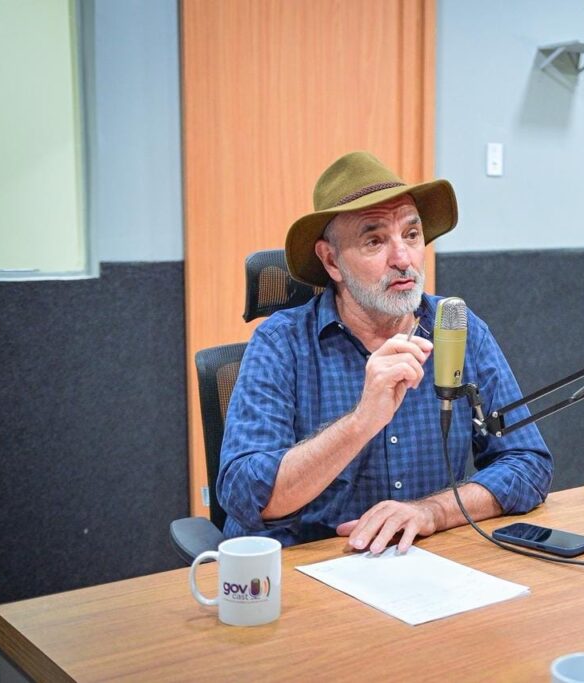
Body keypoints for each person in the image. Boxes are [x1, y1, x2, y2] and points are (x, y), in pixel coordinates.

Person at [217, 151, 552, 553]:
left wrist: (432, 511)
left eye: (411, 235)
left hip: (421, 562)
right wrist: (361, 421)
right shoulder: (280, 343)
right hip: (308, 566)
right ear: (331, 261)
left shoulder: (457, 330)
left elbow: (528, 464)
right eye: (374, 241)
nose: (403, 259)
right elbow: (245, 495)